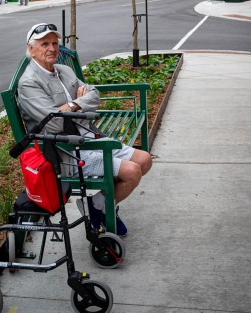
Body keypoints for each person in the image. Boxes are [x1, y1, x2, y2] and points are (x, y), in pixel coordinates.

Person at [18, 22, 152, 236]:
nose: (52, 48)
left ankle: (97, 205)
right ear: (31, 49)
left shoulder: (63, 70)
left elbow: (94, 94)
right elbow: (53, 122)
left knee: (144, 159)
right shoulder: (29, 83)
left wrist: (73, 105)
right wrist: (78, 102)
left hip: (89, 136)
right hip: (67, 151)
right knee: (132, 171)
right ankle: (104, 209)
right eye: (45, 44)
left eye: (54, 43)